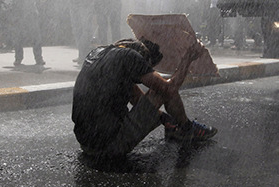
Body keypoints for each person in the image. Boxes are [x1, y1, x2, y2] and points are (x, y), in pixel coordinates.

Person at [72, 37, 217, 159]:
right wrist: (188, 58)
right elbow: (169, 90)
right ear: (142, 56)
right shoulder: (131, 57)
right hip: (109, 148)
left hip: (86, 144)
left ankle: (174, 128)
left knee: (147, 88)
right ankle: (188, 129)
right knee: (161, 90)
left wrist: (167, 120)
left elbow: (137, 100)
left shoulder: (99, 53)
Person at [4, 0, 45, 66]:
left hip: (30, 8)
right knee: (17, 35)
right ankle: (18, 58)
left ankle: (38, 58)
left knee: (36, 35)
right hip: (16, 8)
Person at [62, 0, 94, 64]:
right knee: (77, 29)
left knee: (86, 30)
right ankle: (81, 54)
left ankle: (85, 54)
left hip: (84, 2)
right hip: (74, 2)